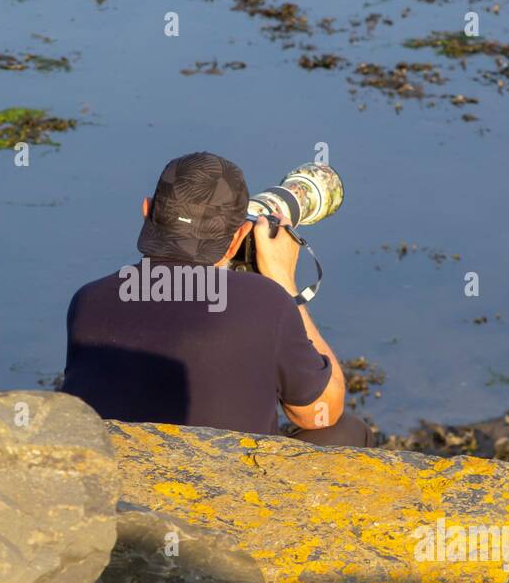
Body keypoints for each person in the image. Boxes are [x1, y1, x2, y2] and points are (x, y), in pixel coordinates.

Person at [60, 151, 373, 446]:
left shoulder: (88, 301)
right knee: (348, 431)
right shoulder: (266, 303)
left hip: (118, 486)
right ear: (237, 237)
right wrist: (283, 284)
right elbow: (323, 412)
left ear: (146, 211)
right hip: (227, 497)